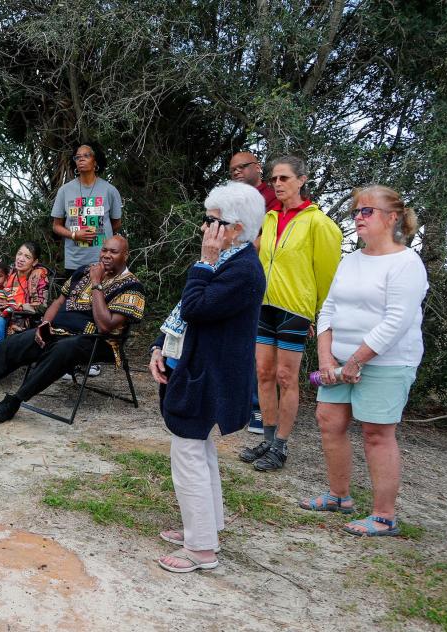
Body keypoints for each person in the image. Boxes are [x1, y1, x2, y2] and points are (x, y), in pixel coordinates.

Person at [149, 181, 266, 573]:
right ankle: (206, 527)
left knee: (188, 453)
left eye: (212, 221)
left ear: (235, 228)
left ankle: (201, 550)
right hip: (197, 368)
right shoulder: (224, 261)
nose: (204, 228)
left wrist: (204, 262)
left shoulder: (243, 270)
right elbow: (181, 309)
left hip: (210, 375)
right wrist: (158, 347)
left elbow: (196, 306)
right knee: (198, 449)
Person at [299, 185, 426, 536]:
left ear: (392, 217)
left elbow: (396, 321)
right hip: (339, 362)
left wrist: (355, 360)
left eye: (367, 211)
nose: (358, 217)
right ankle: (339, 496)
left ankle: (384, 516)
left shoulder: (406, 263)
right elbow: (329, 309)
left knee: (376, 433)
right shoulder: (351, 259)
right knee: (328, 421)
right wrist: (326, 356)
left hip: (386, 364)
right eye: (356, 211)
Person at [0, 236, 144, 425]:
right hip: (58, 332)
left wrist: (96, 284)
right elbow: (58, 302)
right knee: (11, 345)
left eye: (113, 252)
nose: (105, 255)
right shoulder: (83, 271)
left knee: (63, 350)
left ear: (126, 255)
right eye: (104, 250)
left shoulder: (132, 286)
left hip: (97, 341)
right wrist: (45, 324)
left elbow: (105, 325)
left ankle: (15, 400)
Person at [240, 156, 342, 472]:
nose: (278, 184)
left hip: (295, 310)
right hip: (264, 306)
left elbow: (328, 276)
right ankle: (267, 440)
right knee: (263, 373)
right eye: (274, 179)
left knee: (286, 377)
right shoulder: (268, 219)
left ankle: (281, 447)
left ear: (302, 180)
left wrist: (318, 317)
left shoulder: (319, 223)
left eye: (284, 178)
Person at [51, 141, 123, 379]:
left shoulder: (109, 190)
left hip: (102, 262)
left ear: (96, 161)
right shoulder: (65, 191)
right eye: (77, 156)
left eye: (85, 155)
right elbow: (56, 225)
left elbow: (115, 224)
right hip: (75, 260)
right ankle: (67, 359)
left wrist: (103, 242)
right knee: (72, 308)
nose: (80, 159)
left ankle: (90, 358)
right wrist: (75, 234)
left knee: (96, 308)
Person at [230, 151, 282, 434]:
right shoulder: (233, 199)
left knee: (259, 346)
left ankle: (259, 409)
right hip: (234, 273)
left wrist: (246, 248)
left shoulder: (271, 197)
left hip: (263, 276)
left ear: (258, 168)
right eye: (232, 169)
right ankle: (239, 401)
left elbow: (270, 234)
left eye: (242, 167)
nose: (236, 172)